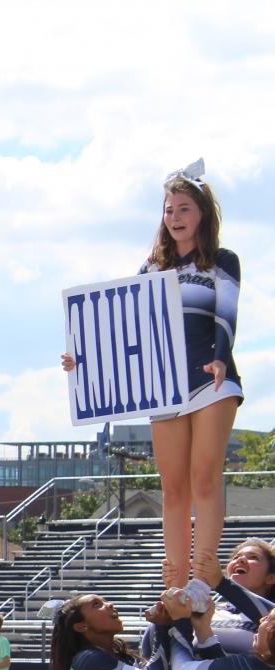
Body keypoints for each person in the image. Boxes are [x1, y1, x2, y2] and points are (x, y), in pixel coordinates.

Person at [62, 160, 241, 598]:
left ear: (202, 213)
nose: (175, 218)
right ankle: (174, 586)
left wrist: (221, 358)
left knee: (204, 478)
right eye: (169, 210)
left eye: (184, 208)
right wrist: (83, 360)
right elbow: (127, 329)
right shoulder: (149, 269)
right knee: (172, 487)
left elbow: (227, 316)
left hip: (211, 381)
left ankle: (203, 580)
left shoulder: (222, 261)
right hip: (164, 388)